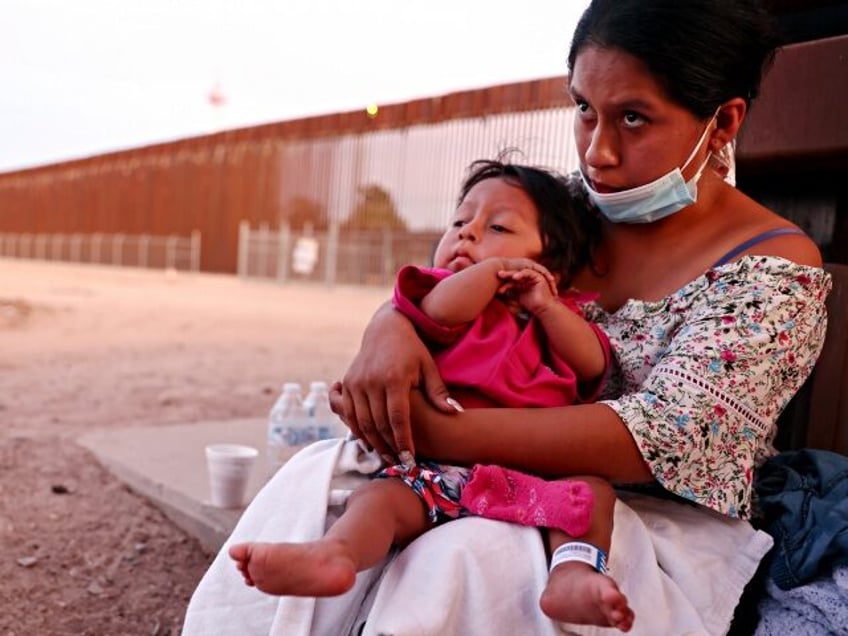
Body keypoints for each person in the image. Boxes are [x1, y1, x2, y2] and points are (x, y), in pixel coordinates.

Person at [183, 1, 832, 634]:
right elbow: (455, 274)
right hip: (476, 468)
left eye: (633, 118)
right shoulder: (569, 213)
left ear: (722, 124)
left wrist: (433, 433)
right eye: (584, 109)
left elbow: (660, 437)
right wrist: (390, 330)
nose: (597, 152)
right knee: (316, 487)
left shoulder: (771, 269)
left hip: (625, 514)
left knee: (457, 562)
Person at [228, 158, 634, 631]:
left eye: (498, 226)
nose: (467, 234)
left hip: (533, 478)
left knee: (591, 494)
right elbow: (441, 310)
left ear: (553, 263)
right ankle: (335, 554)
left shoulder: (560, 315)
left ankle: (572, 573)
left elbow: (592, 365)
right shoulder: (446, 294)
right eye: (459, 222)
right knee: (379, 502)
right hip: (435, 475)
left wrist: (545, 304)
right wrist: (492, 271)